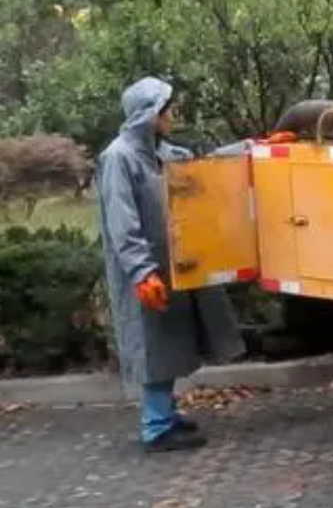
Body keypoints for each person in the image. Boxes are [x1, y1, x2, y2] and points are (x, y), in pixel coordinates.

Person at [96, 77, 244, 453]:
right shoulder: (119, 158)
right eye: (167, 109)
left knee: (170, 344)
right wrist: (142, 271)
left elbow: (203, 166)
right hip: (147, 272)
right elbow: (122, 223)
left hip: (172, 266)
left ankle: (165, 413)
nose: (172, 115)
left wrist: (252, 147)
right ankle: (156, 428)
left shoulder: (160, 154)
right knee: (153, 346)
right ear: (149, 115)